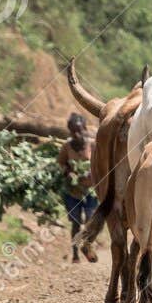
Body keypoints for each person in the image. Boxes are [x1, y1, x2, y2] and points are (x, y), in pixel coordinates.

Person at [58, 113, 98, 264]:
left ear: (85, 129)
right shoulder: (66, 146)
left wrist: (92, 172)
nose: (77, 134)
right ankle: (75, 254)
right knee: (76, 222)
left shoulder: (92, 145)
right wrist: (69, 173)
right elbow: (61, 163)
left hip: (91, 191)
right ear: (69, 131)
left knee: (89, 221)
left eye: (79, 130)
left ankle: (86, 246)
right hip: (73, 192)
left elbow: (99, 163)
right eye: (73, 131)